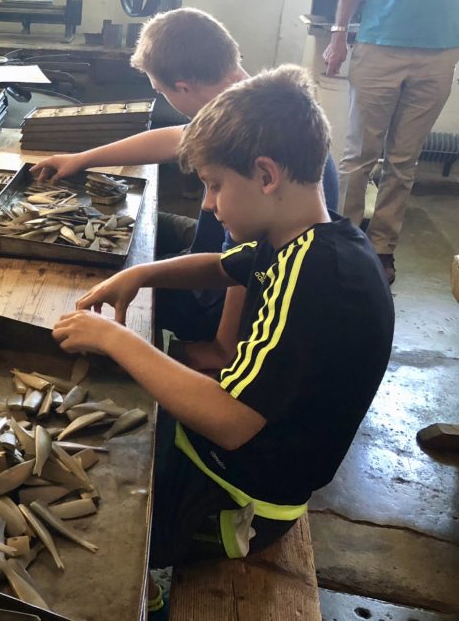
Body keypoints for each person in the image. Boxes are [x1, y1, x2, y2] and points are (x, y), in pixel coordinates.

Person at [52, 65, 393, 614]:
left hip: (240, 500)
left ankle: (150, 587)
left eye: (214, 186)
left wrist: (118, 341)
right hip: (235, 462)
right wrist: (141, 274)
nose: (207, 205)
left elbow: (232, 423)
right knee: (95, 417)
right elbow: (222, 266)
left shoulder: (316, 281)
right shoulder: (311, 238)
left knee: (80, 500)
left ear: (265, 174)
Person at [31, 8, 339, 370]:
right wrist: (83, 158)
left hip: (233, 290)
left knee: (103, 275)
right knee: (137, 220)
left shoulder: (254, 155)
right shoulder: (255, 106)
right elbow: (176, 139)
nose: (207, 202)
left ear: (183, 87)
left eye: (160, 91)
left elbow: (246, 264)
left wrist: (220, 349)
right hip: (228, 249)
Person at [323, 0, 459, 284]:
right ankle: (342, 239)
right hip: (381, 43)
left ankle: (382, 247)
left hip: (441, 50)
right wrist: (339, 32)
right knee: (358, 155)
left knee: (404, 160)